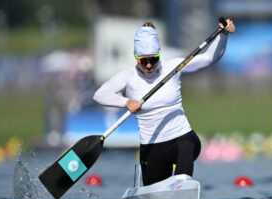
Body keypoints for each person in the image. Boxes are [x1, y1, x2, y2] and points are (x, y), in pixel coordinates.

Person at [93, 19, 235, 186]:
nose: (148, 65)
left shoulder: (173, 67)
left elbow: (209, 58)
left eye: (153, 59)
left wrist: (223, 35)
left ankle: (183, 183)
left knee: (187, 144)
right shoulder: (128, 77)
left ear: (159, 53)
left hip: (182, 139)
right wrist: (126, 102)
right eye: (142, 60)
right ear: (135, 57)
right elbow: (100, 94)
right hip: (152, 148)